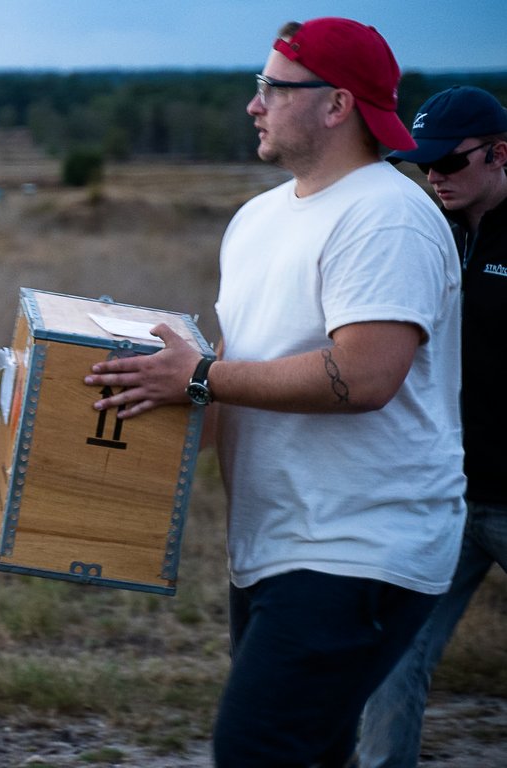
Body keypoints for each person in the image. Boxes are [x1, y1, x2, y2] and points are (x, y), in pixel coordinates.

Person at [82, 18, 466, 767]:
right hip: (275, 542)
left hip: (363, 544)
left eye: (272, 88)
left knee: (259, 747)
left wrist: (197, 375)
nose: (253, 104)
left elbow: (364, 374)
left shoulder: (387, 217)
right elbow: (235, 366)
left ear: (337, 106)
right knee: (309, 753)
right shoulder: (257, 220)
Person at [356, 85, 507, 768]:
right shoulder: (426, 232)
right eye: (423, 166)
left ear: (499, 153)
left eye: (449, 163)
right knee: (390, 660)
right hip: (444, 496)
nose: (434, 177)